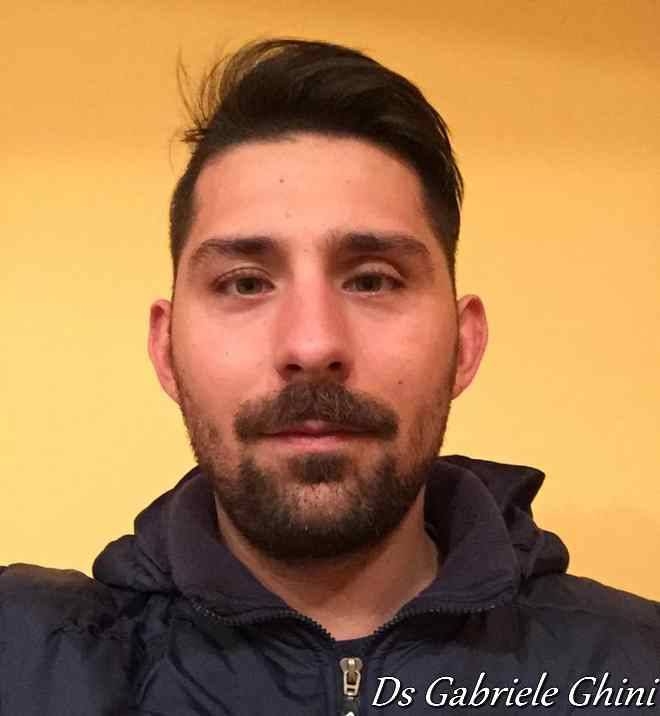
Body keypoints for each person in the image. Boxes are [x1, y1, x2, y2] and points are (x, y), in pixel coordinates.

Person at [1, 37, 657, 715]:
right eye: (246, 283)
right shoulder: (23, 660)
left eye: (372, 280)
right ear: (167, 349)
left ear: (464, 344)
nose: (312, 345)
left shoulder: (640, 669)